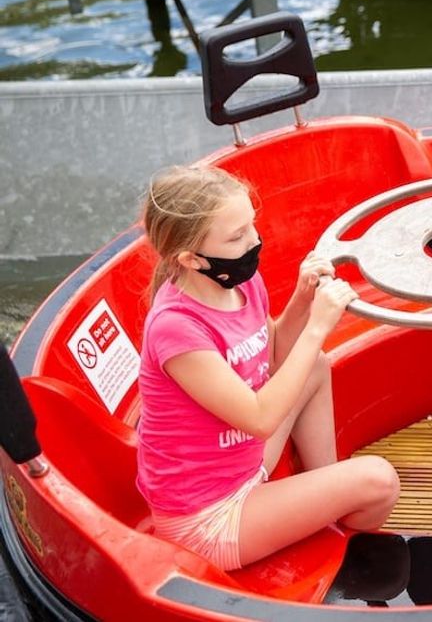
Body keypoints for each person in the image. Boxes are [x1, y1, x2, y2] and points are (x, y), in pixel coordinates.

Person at [136, 165, 400, 570]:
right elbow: (261, 418)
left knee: (314, 367)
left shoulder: (239, 284)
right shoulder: (175, 328)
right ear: (191, 258)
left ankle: (323, 489)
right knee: (380, 482)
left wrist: (301, 298)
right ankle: (336, 515)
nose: (254, 241)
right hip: (209, 518)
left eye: (251, 226)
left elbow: (273, 355)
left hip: (245, 459)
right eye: (237, 236)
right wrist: (318, 325)